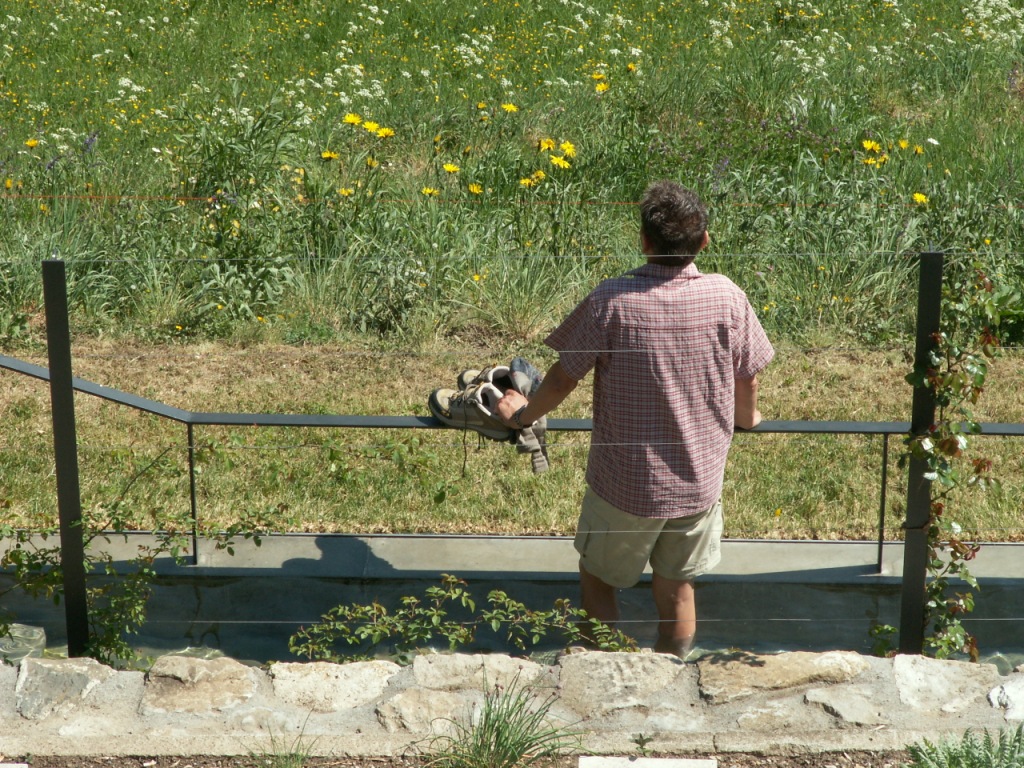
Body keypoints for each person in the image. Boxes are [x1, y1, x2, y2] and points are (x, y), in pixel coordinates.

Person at [495, 180, 774, 657]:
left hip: (624, 484)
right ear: (704, 240)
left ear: (643, 241)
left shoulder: (612, 299)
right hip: (698, 484)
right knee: (678, 589)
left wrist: (524, 414)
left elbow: (563, 378)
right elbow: (745, 378)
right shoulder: (728, 296)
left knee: (599, 580)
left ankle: (604, 668)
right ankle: (672, 670)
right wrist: (746, 418)